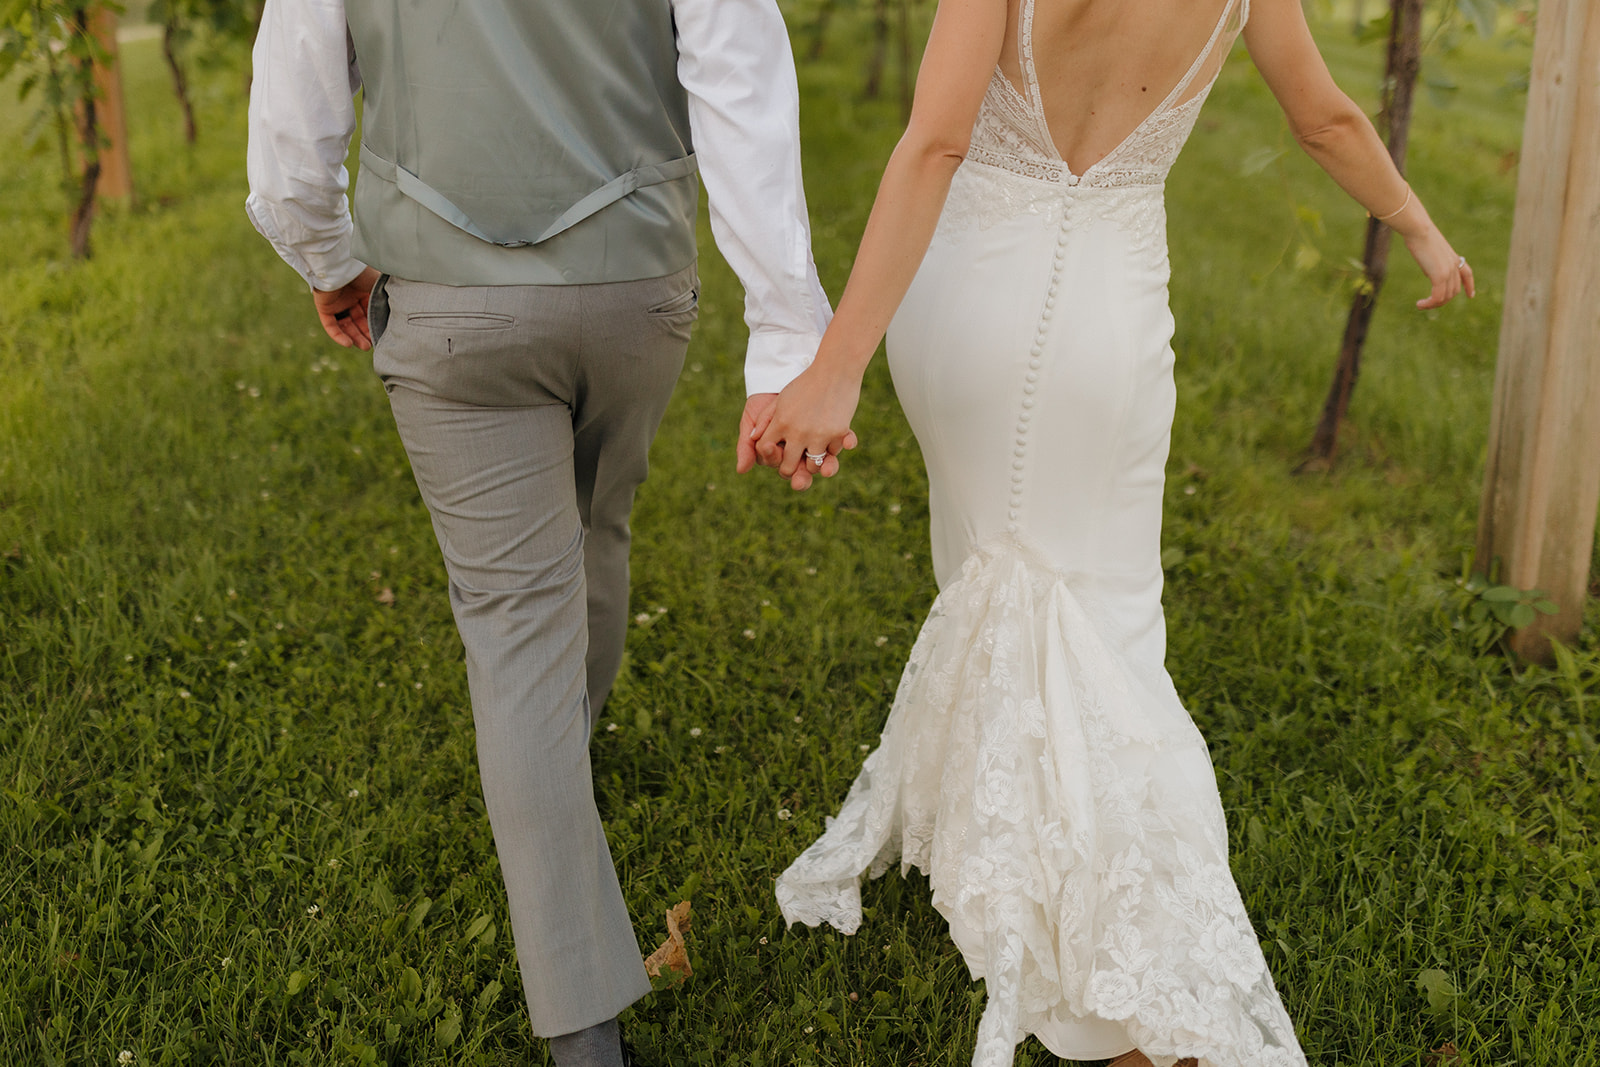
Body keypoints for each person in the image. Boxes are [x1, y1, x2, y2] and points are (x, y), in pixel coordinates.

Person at [750, 0, 1472, 1063]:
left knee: (1000, 581)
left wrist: (837, 365)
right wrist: (1416, 224)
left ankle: (1059, 899)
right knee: (1106, 624)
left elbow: (936, 141)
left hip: (966, 305)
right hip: (1110, 322)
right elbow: (1323, 119)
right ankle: (1091, 931)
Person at [244, 0, 836, 1063]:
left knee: (517, 616)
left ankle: (581, 1030)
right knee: (595, 525)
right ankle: (566, 761)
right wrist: (785, 325)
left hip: (448, 302)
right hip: (632, 291)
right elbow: (741, 89)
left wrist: (329, 259)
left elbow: (294, 134)